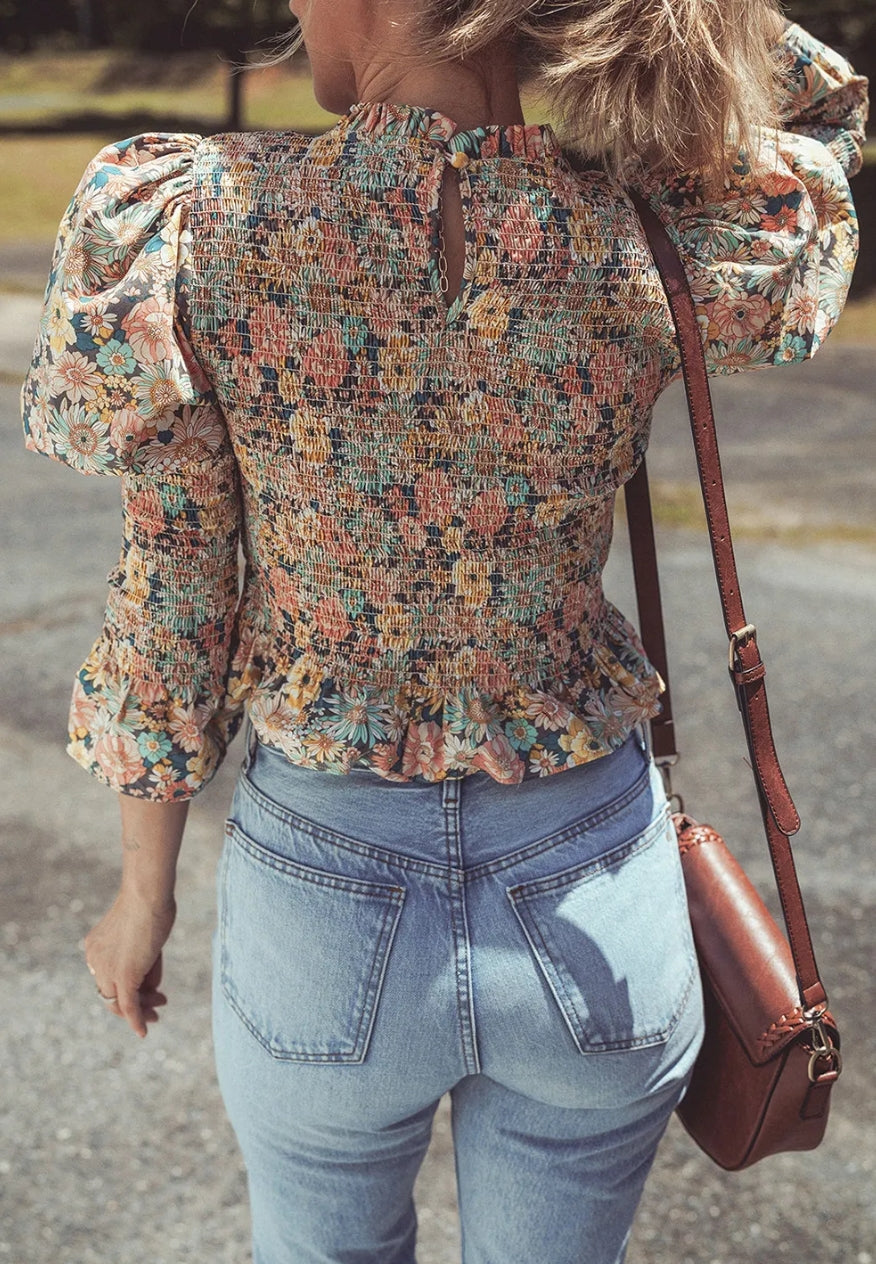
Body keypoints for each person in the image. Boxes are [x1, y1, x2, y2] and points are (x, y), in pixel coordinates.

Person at [20, 1, 867, 1261]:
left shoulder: (194, 223)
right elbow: (829, 116)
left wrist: (142, 899)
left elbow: (175, 591)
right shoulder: (645, 227)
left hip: (326, 897)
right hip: (592, 889)